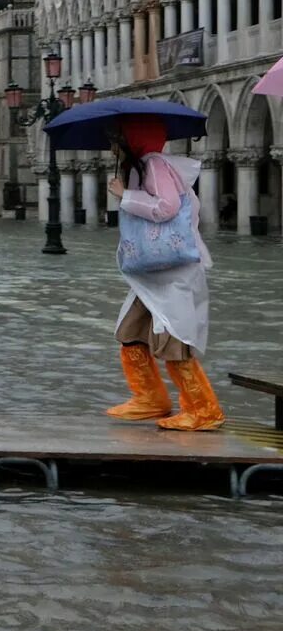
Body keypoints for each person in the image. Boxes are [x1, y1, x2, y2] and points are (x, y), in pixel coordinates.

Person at [104, 116, 222, 431]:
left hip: (173, 272)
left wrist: (125, 196)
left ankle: (203, 409)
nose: (112, 146)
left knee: (173, 338)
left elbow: (167, 207)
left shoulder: (154, 165)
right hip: (152, 272)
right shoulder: (142, 167)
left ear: (132, 139)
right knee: (131, 332)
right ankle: (150, 399)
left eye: (116, 139)